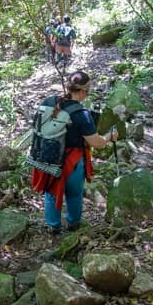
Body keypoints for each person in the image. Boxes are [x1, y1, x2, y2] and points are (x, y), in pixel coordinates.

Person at [31, 70, 118, 234]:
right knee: (74, 193)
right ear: (84, 91)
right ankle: (73, 224)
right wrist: (109, 137)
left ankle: (53, 226)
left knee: (50, 193)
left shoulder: (50, 102)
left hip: (47, 155)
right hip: (72, 161)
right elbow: (96, 143)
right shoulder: (82, 114)